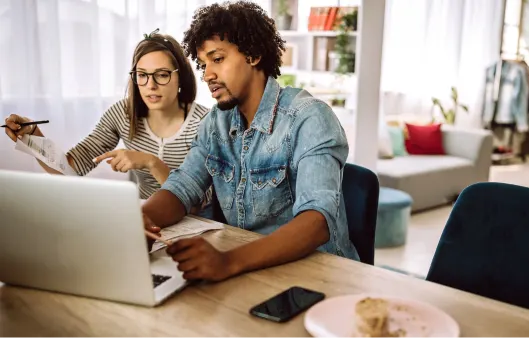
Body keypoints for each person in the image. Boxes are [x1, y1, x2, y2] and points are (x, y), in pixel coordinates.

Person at [142, 1, 359, 282]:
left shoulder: (309, 118)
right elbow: (183, 186)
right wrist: (141, 219)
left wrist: (228, 262)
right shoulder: (215, 123)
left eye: (217, 59)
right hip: (252, 270)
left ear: (254, 54)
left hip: (320, 277)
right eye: (203, 64)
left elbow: (317, 221)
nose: (207, 74)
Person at [4, 29, 212, 206]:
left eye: (162, 74)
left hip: (198, 224)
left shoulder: (205, 123)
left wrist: (152, 163)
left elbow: (199, 204)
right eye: (142, 74)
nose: (151, 85)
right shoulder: (122, 114)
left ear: (181, 76)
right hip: (148, 221)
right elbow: (69, 169)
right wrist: (33, 136)